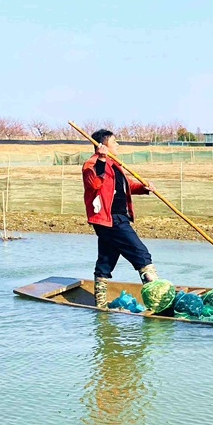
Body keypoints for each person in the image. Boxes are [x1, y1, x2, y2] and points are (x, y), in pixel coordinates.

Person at [82, 129, 158, 308]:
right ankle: (158, 298)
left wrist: (142, 188)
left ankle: (100, 306)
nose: (117, 144)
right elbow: (94, 183)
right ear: (103, 145)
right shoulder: (91, 164)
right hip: (109, 219)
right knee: (141, 254)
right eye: (114, 141)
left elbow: (126, 185)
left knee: (106, 260)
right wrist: (101, 159)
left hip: (117, 217)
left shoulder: (115, 164)